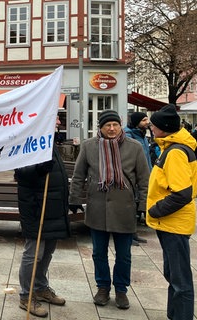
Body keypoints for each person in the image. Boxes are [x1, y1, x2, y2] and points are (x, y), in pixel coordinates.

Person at [69, 109, 150, 310]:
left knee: (124, 254)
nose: (112, 129)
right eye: (107, 125)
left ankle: (121, 289)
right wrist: (74, 198)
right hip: (98, 207)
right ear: (101, 127)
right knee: (98, 252)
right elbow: (78, 175)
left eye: (115, 124)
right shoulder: (89, 146)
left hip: (125, 207)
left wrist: (143, 205)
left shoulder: (135, 147)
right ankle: (103, 287)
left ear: (120, 125)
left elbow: (144, 179)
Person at [15, 116, 70, 318]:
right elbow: (21, 173)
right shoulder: (28, 141)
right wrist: (37, 168)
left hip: (54, 207)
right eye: (54, 118)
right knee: (34, 253)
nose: (58, 121)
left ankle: (40, 287)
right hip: (36, 208)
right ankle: (26, 295)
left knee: (48, 252)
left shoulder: (50, 141)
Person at [147, 104, 197, 320]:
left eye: (153, 123)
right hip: (171, 222)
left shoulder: (175, 152)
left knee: (180, 279)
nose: (150, 126)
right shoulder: (172, 147)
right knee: (173, 274)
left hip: (173, 222)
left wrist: (155, 210)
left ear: (163, 128)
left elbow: (182, 193)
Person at [124, 112, 151, 244]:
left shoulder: (143, 135)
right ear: (136, 122)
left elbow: (146, 158)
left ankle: (133, 233)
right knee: (130, 207)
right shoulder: (128, 135)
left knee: (137, 204)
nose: (147, 122)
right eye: (144, 120)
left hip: (143, 174)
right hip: (132, 177)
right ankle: (129, 235)